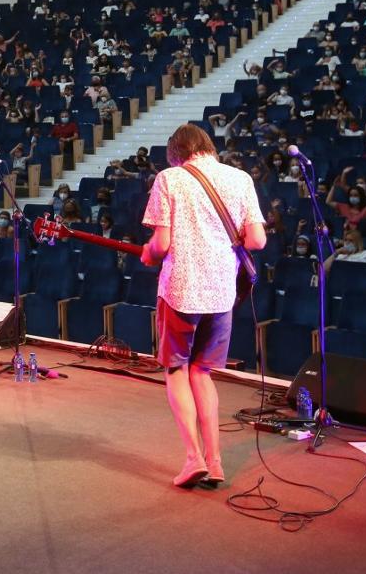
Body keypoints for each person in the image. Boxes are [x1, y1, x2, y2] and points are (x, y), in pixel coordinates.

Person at [141, 124, 266, 489]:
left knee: (176, 369)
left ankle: (193, 458)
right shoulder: (240, 178)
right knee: (203, 373)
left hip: (181, 290)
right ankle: (215, 462)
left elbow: (161, 244)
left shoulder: (170, 179)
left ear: (176, 153)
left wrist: (149, 253)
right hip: (221, 293)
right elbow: (257, 240)